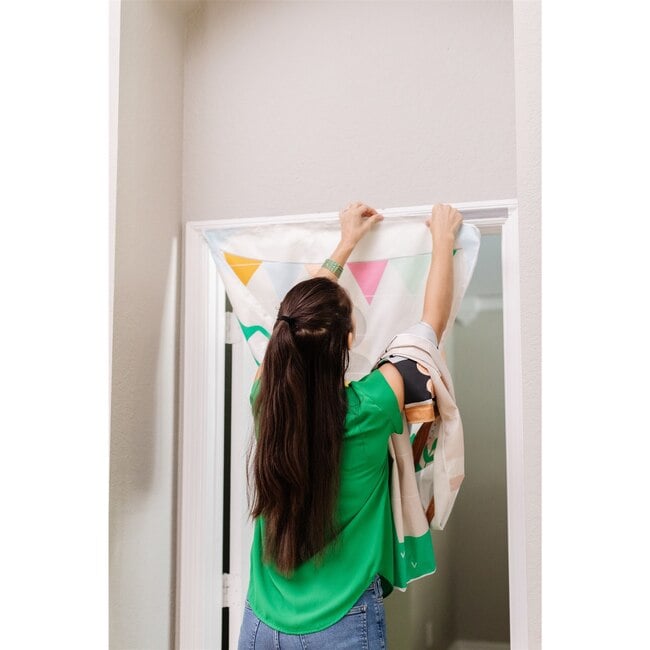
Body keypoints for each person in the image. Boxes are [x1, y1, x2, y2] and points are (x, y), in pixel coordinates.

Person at [237, 202, 463, 649]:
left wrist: (344, 244)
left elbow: (297, 320)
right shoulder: (372, 405)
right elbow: (428, 331)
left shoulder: (265, 400)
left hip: (261, 623)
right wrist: (443, 241)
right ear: (347, 340)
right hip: (340, 624)